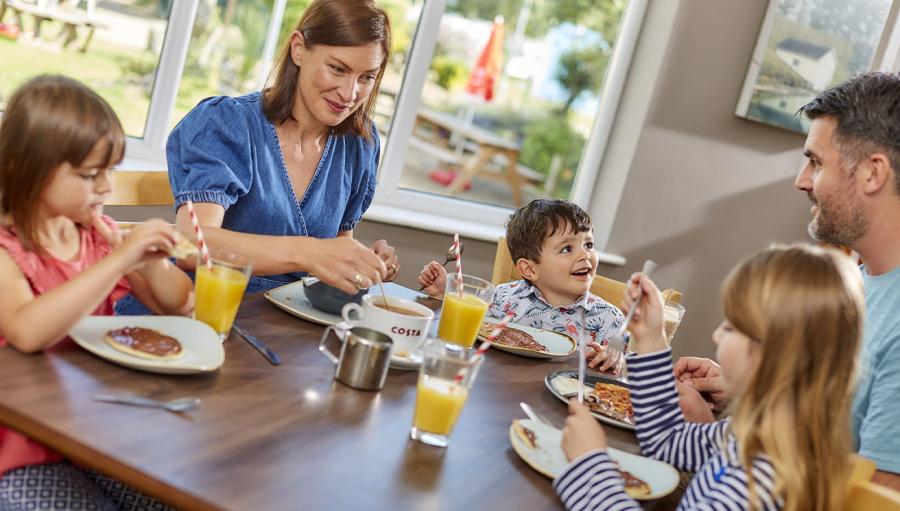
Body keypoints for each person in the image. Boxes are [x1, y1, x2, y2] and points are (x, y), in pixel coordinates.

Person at [675, 72, 900, 490]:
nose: (802, 180)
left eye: (816, 161)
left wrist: (735, 444)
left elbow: (877, 499)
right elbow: (831, 423)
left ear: (873, 173)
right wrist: (748, 394)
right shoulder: (859, 282)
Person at [116, 0, 398, 316]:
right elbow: (191, 244)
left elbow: (336, 247)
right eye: (338, 69)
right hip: (190, 314)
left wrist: (361, 262)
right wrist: (311, 253)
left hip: (282, 329)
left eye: (367, 77)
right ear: (299, 49)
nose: (350, 94)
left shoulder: (360, 144)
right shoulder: (227, 124)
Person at [0, 76, 190, 509]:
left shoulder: (95, 237)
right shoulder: (7, 250)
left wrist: (148, 257)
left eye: (111, 172)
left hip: (89, 435)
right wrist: (117, 262)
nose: (106, 187)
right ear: (24, 167)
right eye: (90, 175)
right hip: (18, 450)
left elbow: (180, 303)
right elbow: (27, 331)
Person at [557, 244, 864, 510]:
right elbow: (668, 440)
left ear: (771, 353)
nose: (717, 336)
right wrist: (652, 338)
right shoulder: (751, 434)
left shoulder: (761, 483)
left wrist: (591, 467)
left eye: (730, 327)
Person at [418, 199, 625, 373]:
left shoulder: (610, 321)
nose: (584, 254)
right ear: (529, 269)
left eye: (588, 244)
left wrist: (614, 361)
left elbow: (628, 376)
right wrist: (444, 294)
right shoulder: (502, 298)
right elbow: (465, 330)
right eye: (567, 248)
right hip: (502, 389)